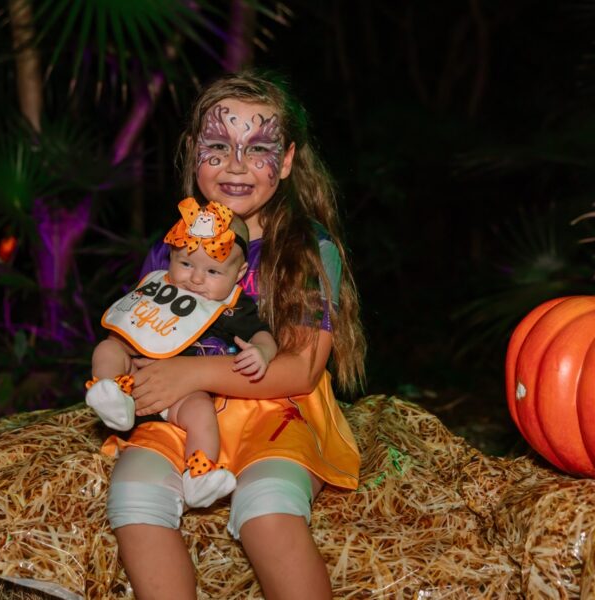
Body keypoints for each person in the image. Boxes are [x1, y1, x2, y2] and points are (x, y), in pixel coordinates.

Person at [101, 70, 366, 600]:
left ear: (287, 160)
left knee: (267, 509)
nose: (236, 165)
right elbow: (142, 337)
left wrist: (189, 371)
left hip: (277, 411)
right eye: (218, 146)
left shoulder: (306, 249)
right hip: (182, 413)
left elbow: (300, 369)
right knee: (132, 495)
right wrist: (127, 374)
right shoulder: (173, 246)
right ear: (193, 153)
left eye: (257, 148)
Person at [86, 199, 278, 508]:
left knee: (201, 412)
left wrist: (262, 352)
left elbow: (262, 335)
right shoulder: (157, 286)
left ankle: (199, 474)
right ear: (170, 257)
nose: (196, 279)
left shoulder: (231, 308)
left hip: (181, 398)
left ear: (239, 272)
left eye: (213, 271)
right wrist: (121, 367)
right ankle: (109, 393)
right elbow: (124, 330)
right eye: (186, 264)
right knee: (108, 348)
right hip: (132, 382)